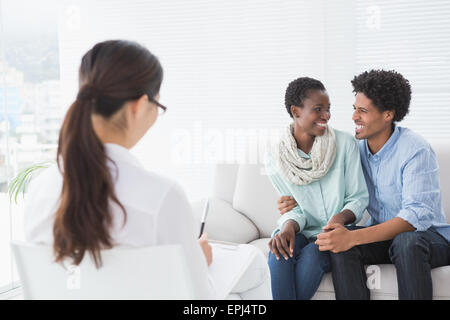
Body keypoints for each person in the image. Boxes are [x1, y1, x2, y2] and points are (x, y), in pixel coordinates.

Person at [23, 40, 271, 300]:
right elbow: (198, 300)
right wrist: (200, 263)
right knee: (252, 263)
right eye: (158, 106)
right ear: (139, 106)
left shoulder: (40, 190)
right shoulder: (161, 197)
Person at [312, 69, 450, 299]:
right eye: (354, 109)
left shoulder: (415, 149)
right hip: (385, 237)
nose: (355, 117)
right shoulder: (356, 150)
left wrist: (354, 237)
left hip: (427, 239)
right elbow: (332, 186)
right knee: (342, 244)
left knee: (406, 242)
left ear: (388, 115)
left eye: (363, 111)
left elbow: (412, 219)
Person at [265, 77, 369, 300]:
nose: (326, 116)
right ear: (295, 111)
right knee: (278, 254)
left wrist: (338, 220)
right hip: (301, 229)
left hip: (332, 233)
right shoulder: (276, 156)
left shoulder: (344, 144)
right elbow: (293, 207)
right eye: (318, 109)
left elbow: (358, 198)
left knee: (313, 257)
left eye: (328, 109)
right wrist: (288, 227)